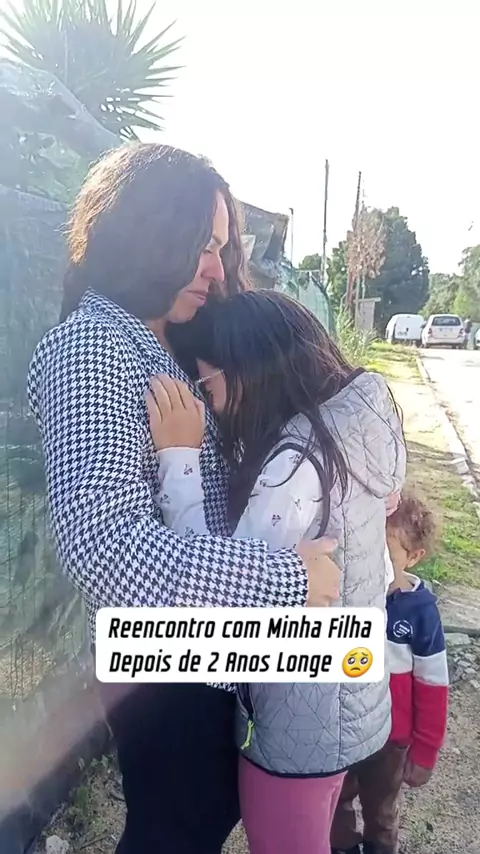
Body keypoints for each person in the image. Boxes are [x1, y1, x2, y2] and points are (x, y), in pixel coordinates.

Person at [26, 144, 340, 854]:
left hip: (209, 645)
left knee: (204, 813)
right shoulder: (93, 348)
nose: (216, 268)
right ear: (146, 232)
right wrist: (285, 580)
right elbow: (105, 549)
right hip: (161, 664)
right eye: (202, 245)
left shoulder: (166, 335)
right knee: (177, 826)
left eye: (221, 248)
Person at [146, 288, 407, 854]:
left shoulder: (294, 467)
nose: (211, 406)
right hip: (344, 705)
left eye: (209, 386)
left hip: (297, 725)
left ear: (251, 373)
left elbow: (220, 597)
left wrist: (179, 458)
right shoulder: (355, 423)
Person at [331, 494, 449, 854]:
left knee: (381, 813)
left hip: (390, 742)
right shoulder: (348, 594)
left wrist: (425, 751)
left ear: (414, 557)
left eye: (387, 553)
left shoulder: (421, 614)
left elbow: (433, 687)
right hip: (344, 730)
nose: (374, 561)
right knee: (334, 805)